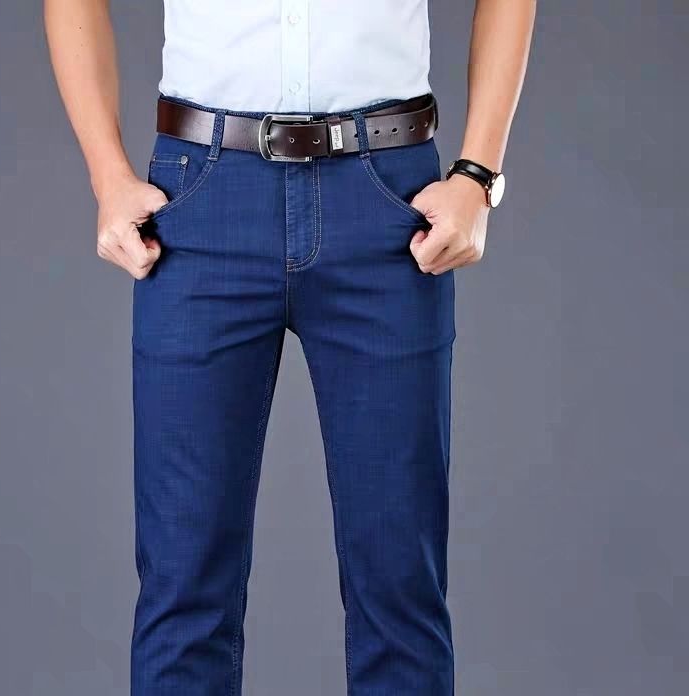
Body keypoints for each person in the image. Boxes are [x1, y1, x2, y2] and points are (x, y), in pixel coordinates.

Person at [45, 1, 536, 693]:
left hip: (387, 196)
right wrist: (106, 175)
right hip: (202, 194)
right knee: (183, 586)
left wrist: (478, 177)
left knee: (400, 583)